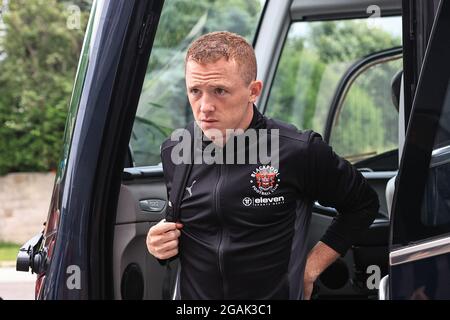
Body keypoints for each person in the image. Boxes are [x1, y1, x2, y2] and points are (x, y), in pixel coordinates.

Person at [146, 31, 379, 300]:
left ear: (253, 91)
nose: (205, 106)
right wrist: (158, 244)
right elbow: (187, 230)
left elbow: (362, 205)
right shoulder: (176, 150)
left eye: (219, 90)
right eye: (195, 91)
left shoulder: (297, 150)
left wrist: (310, 269)